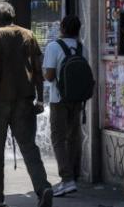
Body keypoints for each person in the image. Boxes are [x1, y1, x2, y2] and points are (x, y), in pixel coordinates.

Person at [0, 2, 53, 207]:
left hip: (3, 100)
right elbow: (38, 70)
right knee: (30, 148)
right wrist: (41, 98)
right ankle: (43, 188)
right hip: (25, 99)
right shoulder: (28, 34)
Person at [43, 14, 84, 197]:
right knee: (73, 137)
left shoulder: (53, 47)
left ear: (62, 28)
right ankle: (72, 176)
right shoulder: (81, 47)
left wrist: (41, 74)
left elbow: (50, 76)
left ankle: (66, 180)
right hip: (77, 100)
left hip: (59, 100)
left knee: (58, 139)